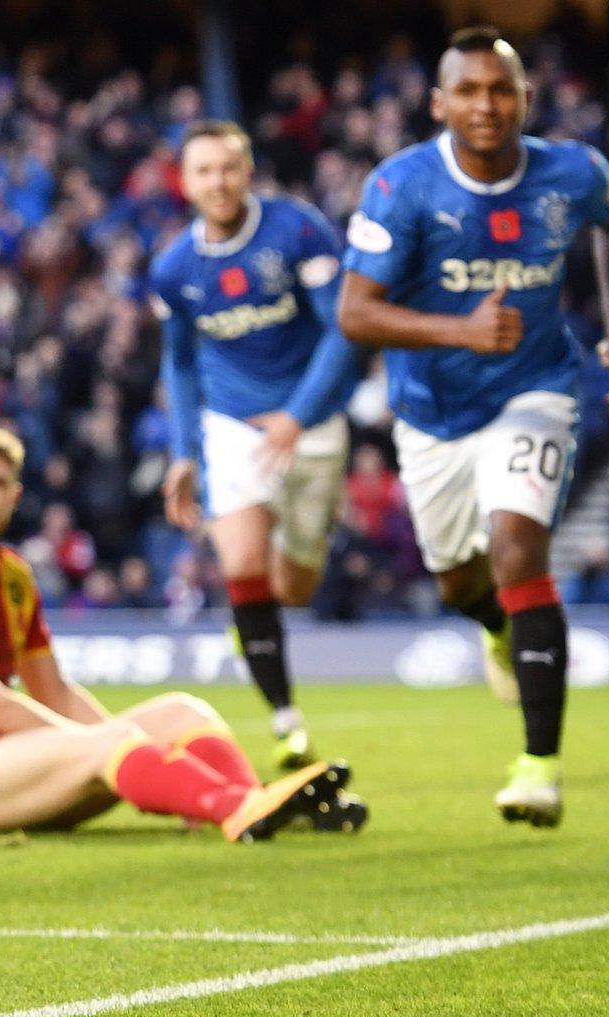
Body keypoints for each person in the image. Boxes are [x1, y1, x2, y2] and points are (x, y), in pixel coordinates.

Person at [337, 27, 609, 829]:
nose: (486, 105)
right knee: (460, 581)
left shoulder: (571, 173)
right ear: (439, 104)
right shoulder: (401, 188)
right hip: (432, 410)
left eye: (500, 89)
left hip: (536, 388)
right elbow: (354, 312)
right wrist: (459, 332)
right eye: (468, 91)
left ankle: (539, 765)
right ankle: (501, 628)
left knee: (517, 544)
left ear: (525, 100)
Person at [0, 423, 364, 839]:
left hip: (12, 766)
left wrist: (122, 742)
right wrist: (117, 745)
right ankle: (229, 806)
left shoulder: (13, 574)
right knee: (113, 744)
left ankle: (258, 802)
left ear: (16, 494)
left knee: (181, 712)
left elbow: (54, 692)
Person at [150, 120, 363, 772]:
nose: (217, 181)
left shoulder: (298, 230)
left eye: (228, 168)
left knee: (293, 584)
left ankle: (255, 623)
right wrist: (184, 451)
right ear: (185, 183)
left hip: (313, 425)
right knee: (241, 564)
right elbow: (181, 365)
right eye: (204, 171)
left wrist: (298, 416)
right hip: (234, 427)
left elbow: (344, 331)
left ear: (248, 173)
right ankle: (287, 725)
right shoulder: (173, 269)